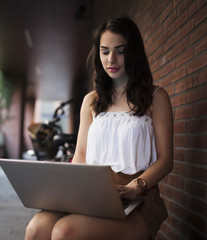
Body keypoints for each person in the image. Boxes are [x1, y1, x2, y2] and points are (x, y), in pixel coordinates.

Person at [25, 16, 173, 240]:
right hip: (89, 194)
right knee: (36, 228)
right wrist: (60, 187)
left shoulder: (156, 97)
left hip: (136, 196)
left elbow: (166, 160)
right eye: (105, 51)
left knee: (65, 232)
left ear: (134, 53)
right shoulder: (91, 101)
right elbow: (81, 155)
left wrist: (137, 186)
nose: (111, 59)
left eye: (120, 50)